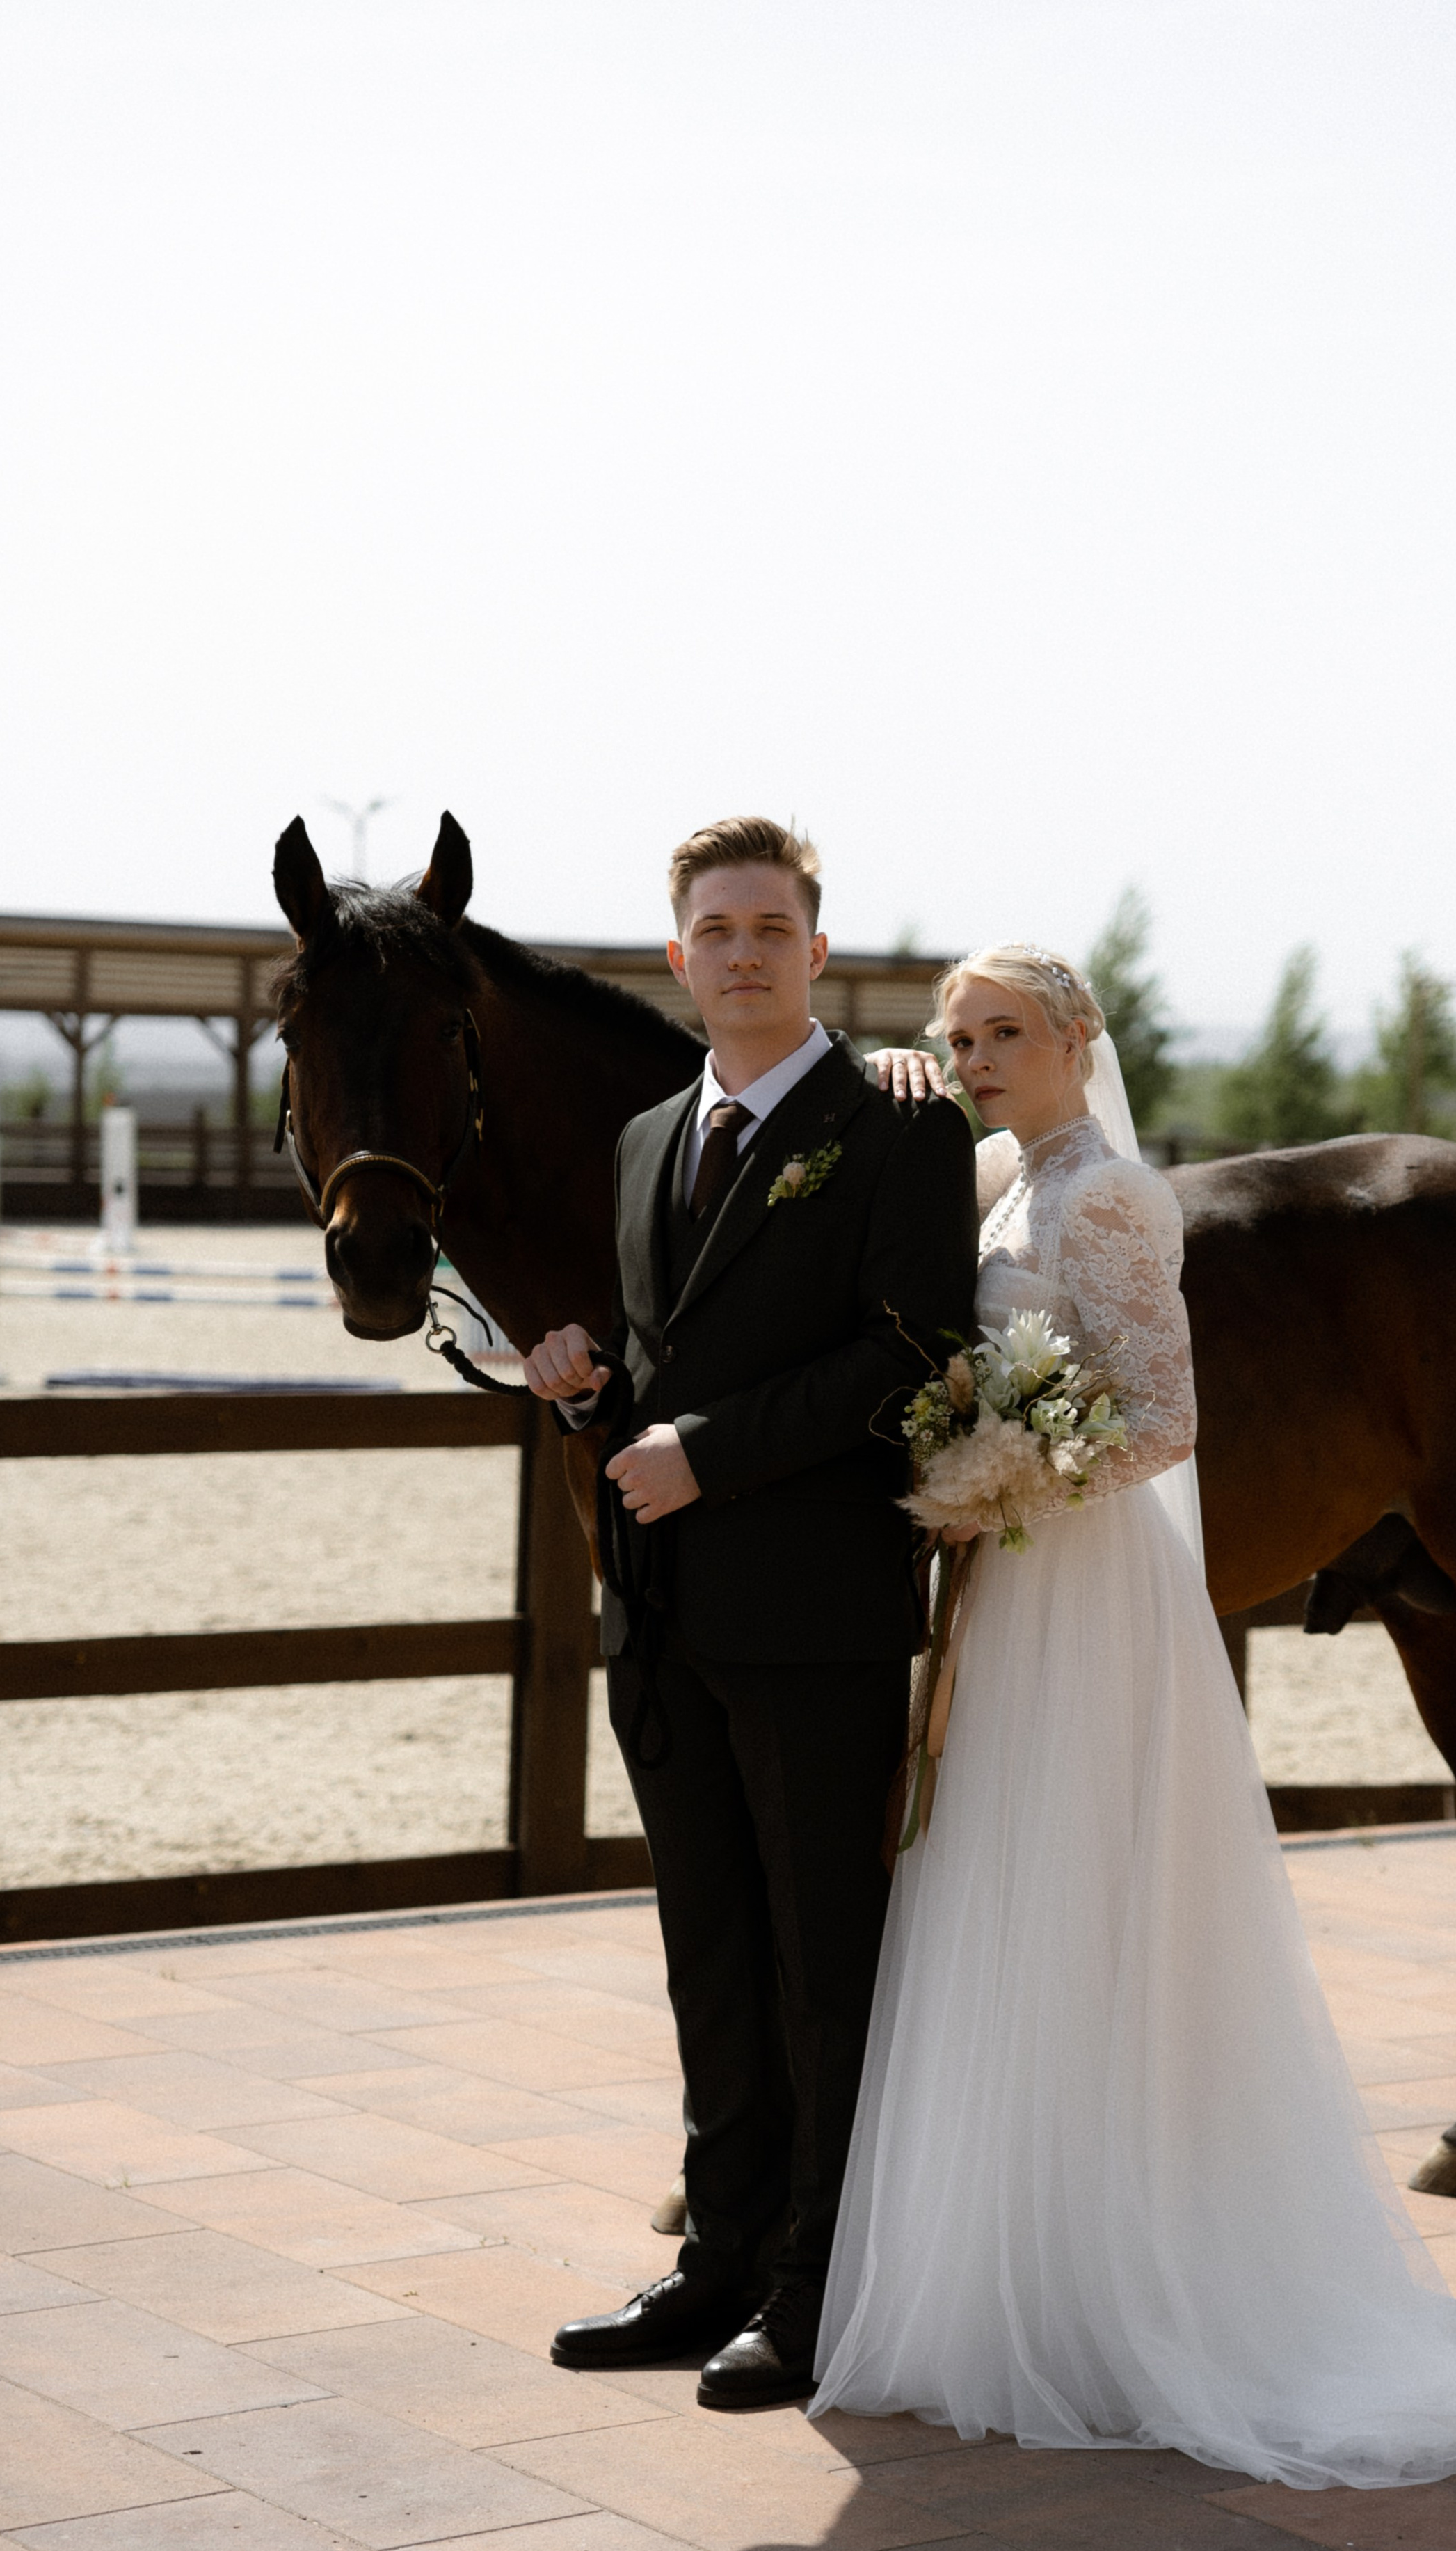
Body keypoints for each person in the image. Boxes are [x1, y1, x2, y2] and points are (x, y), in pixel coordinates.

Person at [811, 944, 1456, 2486]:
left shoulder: (1107, 1196)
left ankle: (1118, 2263)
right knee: (985, 1875)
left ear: (1075, 1040)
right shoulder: (991, 1174)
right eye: (957, 1034)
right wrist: (904, 1082)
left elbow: (1163, 1420)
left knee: (1075, 1881)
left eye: (1006, 1032)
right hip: (1008, 1578)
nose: (976, 1054)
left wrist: (1002, 1481)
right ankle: (1005, 2245)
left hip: (1073, 1574)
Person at [524, 816, 979, 2411]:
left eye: (769, 929)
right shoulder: (651, 1135)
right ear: (675, 957)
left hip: (812, 1614)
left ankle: (812, 2288)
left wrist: (703, 1456)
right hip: (659, 1619)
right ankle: (717, 2259)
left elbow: (911, 1353)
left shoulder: (895, 1130)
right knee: (707, 1951)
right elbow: (671, 1361)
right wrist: (583, 1383)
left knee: (818, 1962)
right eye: (713, 931)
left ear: (815, 951)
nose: (741, 955)